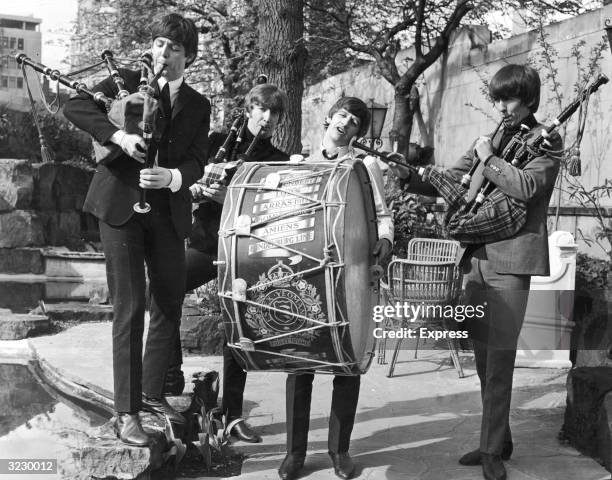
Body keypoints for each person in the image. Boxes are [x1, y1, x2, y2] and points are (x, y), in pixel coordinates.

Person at [388, 64, 561, 480]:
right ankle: (498, 438)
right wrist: (410, 173)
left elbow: (526, 188)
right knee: (484, 359)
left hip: (512, 261)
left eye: (509, 99)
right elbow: (453, 179)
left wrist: (489, 159)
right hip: (476, 258)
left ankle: (491, 453)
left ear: (529, 99)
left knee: (499, 358)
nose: (501, 106)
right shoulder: (494, 136)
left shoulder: (547, 143)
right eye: (497, 99)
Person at [64, 13, 210, 446]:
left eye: (174, 49)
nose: (163, 54)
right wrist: (117, 137)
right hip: (118, 207)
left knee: (167, 303)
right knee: (128, 309)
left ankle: (150, 395)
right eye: (160, 43)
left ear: (189, 58)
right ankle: (126, 413)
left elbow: (198, 159)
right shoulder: (122, 80)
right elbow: (72, 105)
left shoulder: (199, 105)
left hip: (166, 212)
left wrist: (173, 178)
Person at [165, 83, 290, 443]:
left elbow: (270, 212)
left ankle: (232, 415)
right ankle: (171, 376)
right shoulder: (218, 139)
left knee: (237, 326)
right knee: (161, 289)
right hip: (206, 243)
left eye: (274, 113)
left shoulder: (277, 160)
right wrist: (195, 188)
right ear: (249, 109)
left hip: (242, 251)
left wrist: (228, 198)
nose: (266, 118)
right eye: (261, 110)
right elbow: (184, 177)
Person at [278, 97, 393, 480]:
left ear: (358, 133)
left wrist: (386, 242)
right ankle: (295, 454)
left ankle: (339, 451)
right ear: (329, 118)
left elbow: (382, 213)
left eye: (355, 122)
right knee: (301, 360)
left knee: (347, 360)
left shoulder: (365, 166)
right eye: (343, 116)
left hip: (351, 271)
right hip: (307, 272)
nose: (347, 123)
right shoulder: (300, 164)